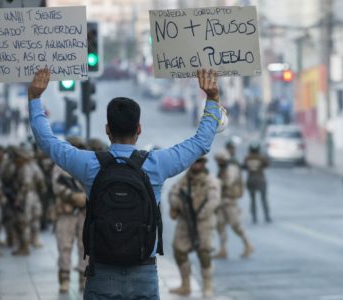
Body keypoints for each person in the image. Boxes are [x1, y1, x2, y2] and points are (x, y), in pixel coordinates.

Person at [28, 68, 223, 299]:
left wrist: (35, 98)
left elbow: (47, 142)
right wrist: (212, 99)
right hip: (144, 273)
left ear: (107, 130)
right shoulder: (155, 165)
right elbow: (201, 143)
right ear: (139, 130)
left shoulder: (89, 165)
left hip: (101, 273)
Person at [168, 156, 221, 297]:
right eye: (194, 162)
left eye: (199, 162)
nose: (196, 165)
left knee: (204, 253)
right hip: (185, 222)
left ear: (203, 163)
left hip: (203, 223)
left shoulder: (210, 181)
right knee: (178, 250)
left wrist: (199, 215)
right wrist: (180, 206)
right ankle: (186, 285)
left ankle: (207, 287)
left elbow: (213, 202)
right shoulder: (184, 180)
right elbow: (173, 194)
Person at [51, 136, 88, 293]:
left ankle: (84, 278)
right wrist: (72, 196)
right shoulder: (60, 166)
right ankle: (64, 278)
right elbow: (56, 186)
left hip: (85, 212)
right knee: (64, 246)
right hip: (66, 211)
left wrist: (85, 198)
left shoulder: (88, 164)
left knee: (85, 246)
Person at [213, 150, 253, 259]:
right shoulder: (222, 169)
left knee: (235, 225)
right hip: (221, 201)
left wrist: (214, 183)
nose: (219, 162)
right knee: (219, 224)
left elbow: (228, 182)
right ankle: (223, 250)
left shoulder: (231, 169)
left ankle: (248, 244)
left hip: (230, 201)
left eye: (220, 160)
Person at [243, 142, 271, 223]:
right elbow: (267, 164)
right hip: (260, 180)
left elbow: (244, 166)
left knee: (252, 200)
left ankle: (254, 217)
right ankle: (267, 216)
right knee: (263, 199)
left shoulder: (247, 158)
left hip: (251, 180)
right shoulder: (261, 158)